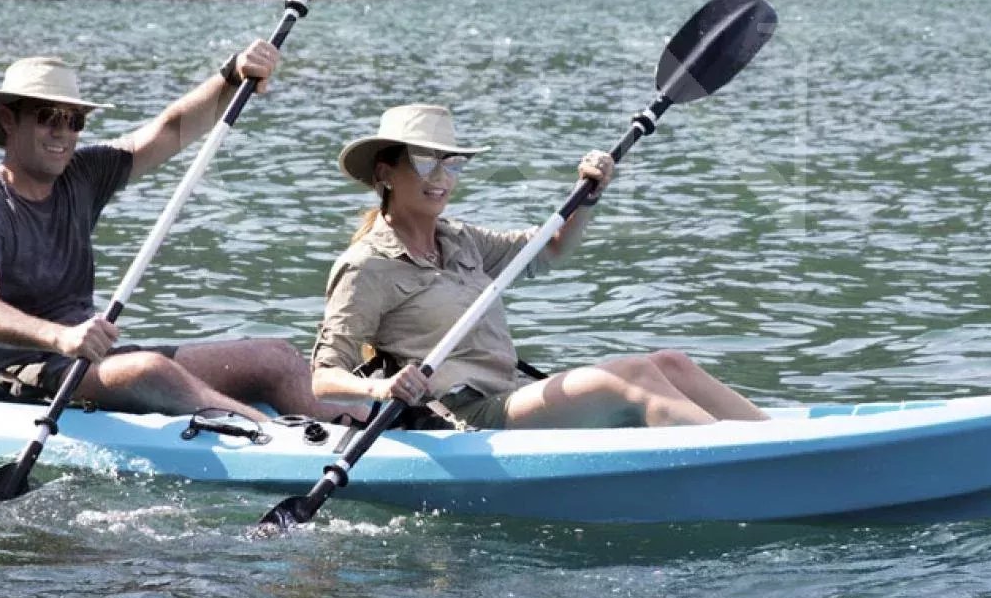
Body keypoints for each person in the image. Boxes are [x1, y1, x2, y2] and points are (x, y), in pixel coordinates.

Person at [0, 50, 348, 422]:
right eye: (48, 117)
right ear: (8, 120)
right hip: (12, 372)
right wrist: (61, 337)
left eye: (74, 120)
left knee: (275, 358)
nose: (63, 133)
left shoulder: (82, 175)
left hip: (86, 358)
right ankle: (273, 438)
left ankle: (361, 433)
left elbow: (170, 130)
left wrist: (230, 76)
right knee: (149, 370)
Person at [309, 104, 769, 429]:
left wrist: (588, 196)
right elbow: (324, 377)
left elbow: (549, 249)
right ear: (385, 173)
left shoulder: (462, 239)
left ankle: (776, 443)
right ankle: (741, 462)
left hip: (512, 392)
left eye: (453, 163)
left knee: (670, 363)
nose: (442, 177)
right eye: (426, 161)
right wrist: (383, 388)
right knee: (633, 376)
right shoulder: (365, 265)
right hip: (463, 418)